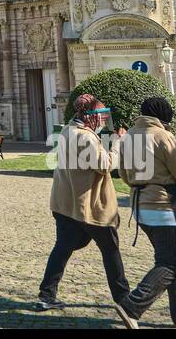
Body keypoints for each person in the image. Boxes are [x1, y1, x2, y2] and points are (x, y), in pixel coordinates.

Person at [113, 96, 176, 329]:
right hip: (164, 206)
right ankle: (132, 307)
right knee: (170, 264)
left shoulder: (128, 137)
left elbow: (125, 175)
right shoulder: (163, 137)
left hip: (140, 207)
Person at [36, 94, 130, 312]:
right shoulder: (84, 137)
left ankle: (46, 295)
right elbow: (105, 165)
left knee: (63, 249)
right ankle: (124, 299)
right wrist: (117, 143)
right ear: (90, 117)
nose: (104, 120)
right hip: (88, 206)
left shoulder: (69, 129)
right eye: (101, 115)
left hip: (66, 204)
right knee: (110, 250)